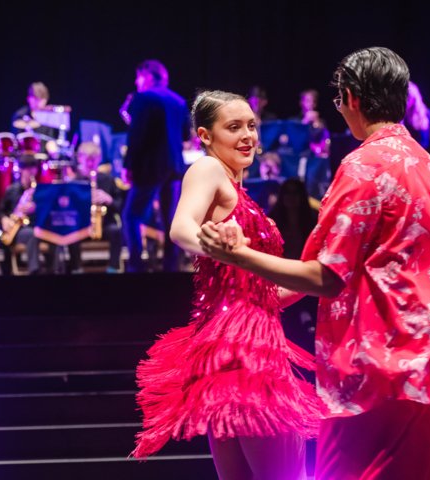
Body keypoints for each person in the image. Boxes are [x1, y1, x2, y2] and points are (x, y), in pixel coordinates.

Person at [200, 47, 430, 480]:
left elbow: (325, 276)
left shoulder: (364, 166)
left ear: (351, 98)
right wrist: (250, 309)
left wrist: (236, 255)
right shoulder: (426, 163)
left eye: (339, 101)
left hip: (376, 376)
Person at [131, 90, 323, 480]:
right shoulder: (208, 170)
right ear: (205, 135)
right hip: (246, 351)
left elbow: (261, 295)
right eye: (233, 127)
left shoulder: (240, 191)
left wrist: (318, 279)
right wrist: (210, 243)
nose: (247, 135)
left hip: (237, 346)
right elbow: (181, 226)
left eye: (251, 125)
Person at [121, 59, 190, 272]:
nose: (136, 81)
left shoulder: (144, 98)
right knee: (171, 221)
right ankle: (172, 266)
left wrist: (128, 165)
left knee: (131, 215)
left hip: (150, 167)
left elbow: (138, 136)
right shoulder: (178, 101)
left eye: (138, 76)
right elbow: (186, 135)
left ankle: (136, 265)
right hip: (174, 168)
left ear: (148, 76)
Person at [65, 142, 123, 273]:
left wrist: (109, 200)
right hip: (82, 227)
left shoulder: (108, 180)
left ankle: (113, 268)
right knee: (71, 233)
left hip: (104, 225)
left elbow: (120, 207)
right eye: (87, 160)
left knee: (116, 231)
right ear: (80, 158)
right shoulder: (73, 183)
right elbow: (67, 211)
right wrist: (84, 201)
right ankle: (76, 269)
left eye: (94, 160)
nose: (91, 164)